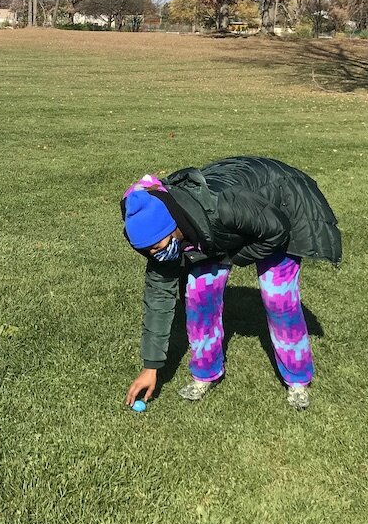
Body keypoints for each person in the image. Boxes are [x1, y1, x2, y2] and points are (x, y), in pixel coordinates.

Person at [120, 157, 341, 411]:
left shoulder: (222, 208)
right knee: (199, 294)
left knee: (278, 298)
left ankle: (298, 380)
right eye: (146, 252)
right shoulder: (163, 240)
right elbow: (157, 304)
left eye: (157, 247)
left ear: (174, 229)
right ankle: (205, 373)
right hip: (220, 229)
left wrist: (233, 257)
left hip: (281, 205)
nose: (155, 255)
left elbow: (276, 229)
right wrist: (151, 368)